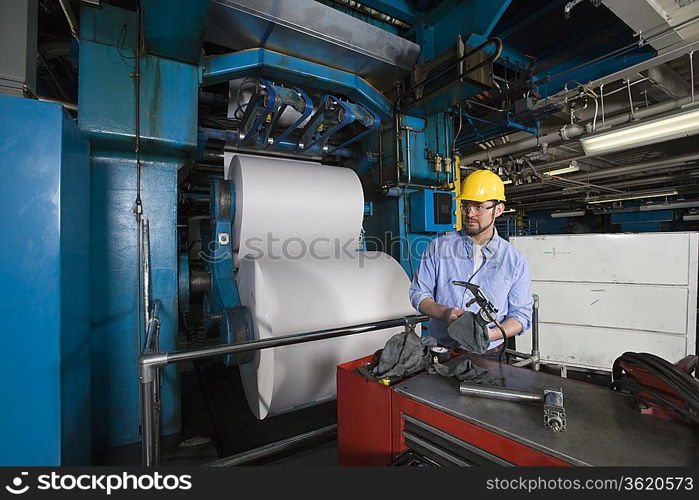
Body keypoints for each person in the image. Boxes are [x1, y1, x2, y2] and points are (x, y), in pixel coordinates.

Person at [409, 170, 533, 360]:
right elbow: (418, 294)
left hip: (489, 356)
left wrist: (487, 335)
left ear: (498, 210)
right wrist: (445, 313)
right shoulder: (438, 248)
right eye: (466, 206)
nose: (470, 213)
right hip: (442, 350)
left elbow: (521, 316)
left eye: (479, 207)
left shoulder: (514, 260)